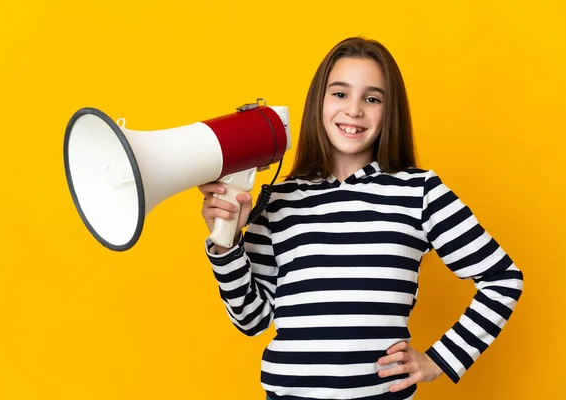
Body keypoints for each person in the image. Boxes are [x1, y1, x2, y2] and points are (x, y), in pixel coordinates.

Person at [198, 36, 524, 400]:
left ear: (390, 111)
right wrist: (226, 243)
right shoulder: (279, 200)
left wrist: (438, 361)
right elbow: (251, 320)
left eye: (372, 98)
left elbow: (503, 279)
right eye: (340, 94)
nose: (353, 110)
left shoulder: (420, 191)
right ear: (318, 102)